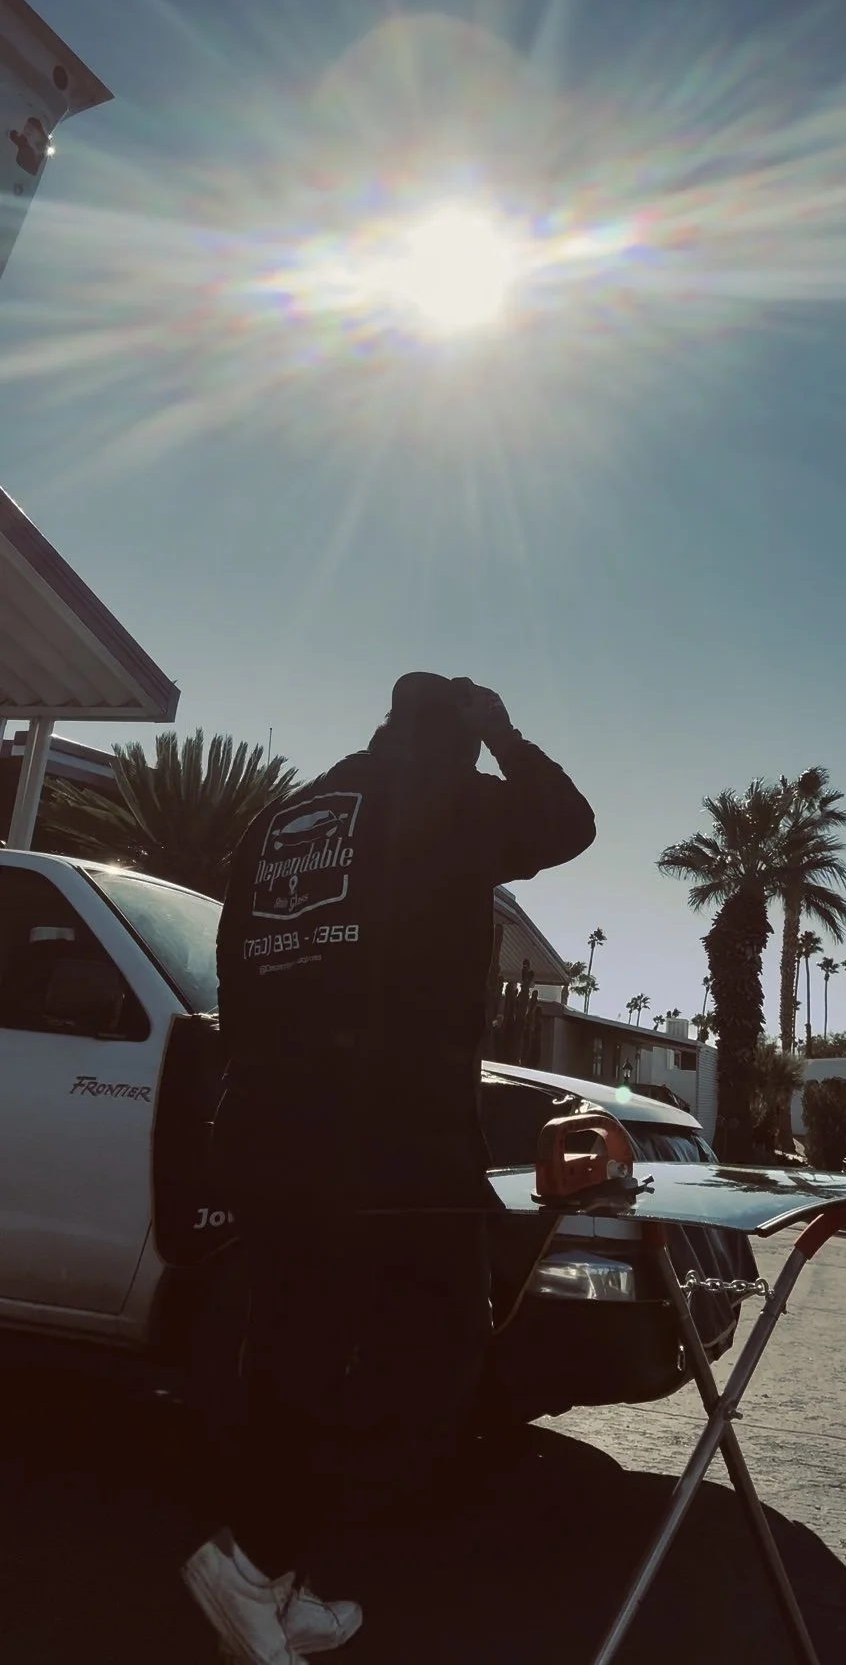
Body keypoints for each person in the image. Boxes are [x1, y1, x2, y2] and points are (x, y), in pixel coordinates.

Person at [181, 674, 595, 1665]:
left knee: (293, 1360)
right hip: (391, 1144)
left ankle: (274, 1583)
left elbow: (237, 963)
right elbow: (567, 822)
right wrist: (506, 732)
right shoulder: (442, 796)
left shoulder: (284, 818)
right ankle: (254, 1562)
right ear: (457, 742)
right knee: (438, 1353)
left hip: (273, 1133)